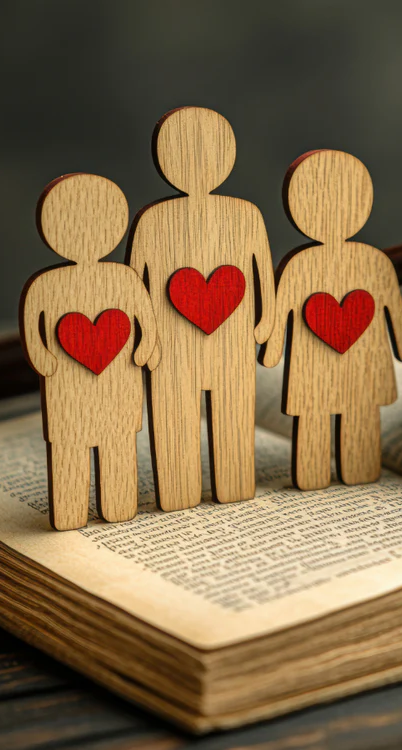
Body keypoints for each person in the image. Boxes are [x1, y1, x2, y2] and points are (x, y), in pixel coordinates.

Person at [128, 107, 275, 508]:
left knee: (233, 415)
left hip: (234, 339)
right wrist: (145, 341)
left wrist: (266, 322)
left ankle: (234, 482)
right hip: (170, 346)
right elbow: (134, 286)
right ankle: (177, 490)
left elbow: (262, 271)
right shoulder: (154, 222)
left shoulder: (246, 216)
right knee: (174, 419)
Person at [261, 149, 402, 490]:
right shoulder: (300, 266)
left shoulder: (375, 262)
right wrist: (271, 349)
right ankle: (314, 471)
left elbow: (392, 309)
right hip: (316, 363)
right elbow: (282, 308)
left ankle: (356, 466)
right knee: (315, 414)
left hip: (362, 360)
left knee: (358, 413)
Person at [20, 173, 160, 530]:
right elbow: (34, 337)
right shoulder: (46, 286)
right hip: (67, 388)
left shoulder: (124, 278)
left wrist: (146, 349)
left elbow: (144, 319)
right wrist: (44, 360)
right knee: (69, 448)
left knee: (119, 444)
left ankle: (118, 503)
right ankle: (69, 511)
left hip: (119, 383)